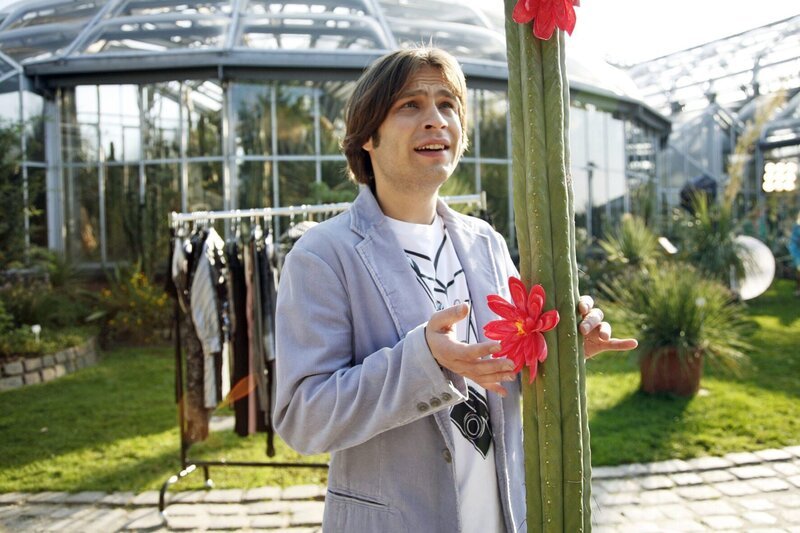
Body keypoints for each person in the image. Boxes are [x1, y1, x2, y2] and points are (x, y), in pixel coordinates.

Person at [273, 47, 637, 532]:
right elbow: (303, 418)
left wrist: (558, 352)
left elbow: (503, 372)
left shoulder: (486, 242)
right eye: (410, 105)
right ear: (367, 137)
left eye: (448, 104)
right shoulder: (322, 255)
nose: (436, 119)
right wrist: (425, 360)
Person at [789, 211, 800, 296]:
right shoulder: (796, 227)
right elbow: (794, 240)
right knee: (799, 270)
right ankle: (798, 289)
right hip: (798, 251)